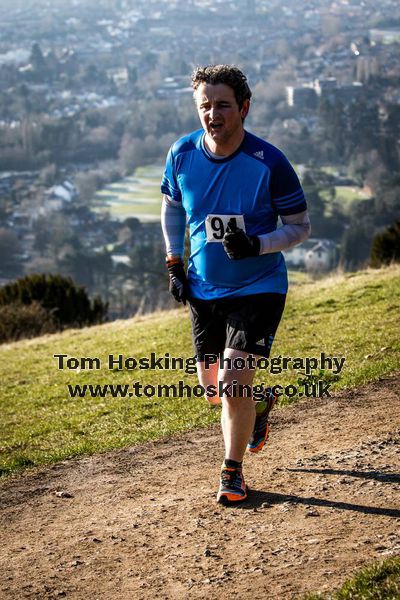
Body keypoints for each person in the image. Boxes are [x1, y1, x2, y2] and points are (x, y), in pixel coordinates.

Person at [161, 64, 311, 505]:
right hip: (204, 288)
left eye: (223, 105)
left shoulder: (269, 162)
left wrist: (258, 245)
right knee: (216, 391)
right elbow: (171, 207)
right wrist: (174, 260)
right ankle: (259, 404)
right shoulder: (182, 154)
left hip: (260, 285)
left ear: (244, 108)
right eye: (205, 106)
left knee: (231, 381)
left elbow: (300, 227)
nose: (213, 114)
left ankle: (232, 471)